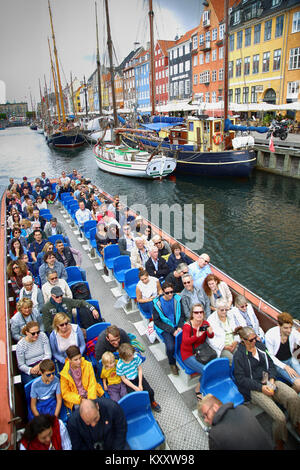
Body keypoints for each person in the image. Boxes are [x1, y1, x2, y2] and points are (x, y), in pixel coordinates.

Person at [233, 326, 300, 449]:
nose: (254, 341)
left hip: (269, 380)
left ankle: (296, 422)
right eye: (251, 340)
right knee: (280, 418)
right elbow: (241, 379)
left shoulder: (261, 347)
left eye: (255, 338)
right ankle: (279, 442)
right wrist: (261, 388)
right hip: (254, 387)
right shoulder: (239, 356)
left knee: (294, 397)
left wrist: (272, 380)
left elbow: (271, 366)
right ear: (243, 340)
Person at [198, 394, 273, 450]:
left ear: (215, 407)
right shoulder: (243, 409)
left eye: (206, 415)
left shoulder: (215, 435)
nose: (205, 420)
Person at [180, 303, 214, 399]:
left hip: (201, 351)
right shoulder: (187, 326)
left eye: (201, 312)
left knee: (213, 367)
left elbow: (211, 336)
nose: (199, 314)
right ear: (192, 314)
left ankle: (204, 384)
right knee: (205, 371)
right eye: (196, 312)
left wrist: (211, 332)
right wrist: (196, 336)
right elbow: (186, 342)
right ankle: (198, 390)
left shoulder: (205, 323)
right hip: (188, 353)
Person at [117, 343, 161, 412]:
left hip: (138, 376)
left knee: (150, 391)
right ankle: (140, 407)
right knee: (133, 397)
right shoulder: (120, 365)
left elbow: (139, 369)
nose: (133, 356)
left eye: (132, 354)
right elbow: (124, 379)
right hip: (129, 381)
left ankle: (152, 401)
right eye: (130, 356)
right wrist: (135, 388)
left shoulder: (135, 357)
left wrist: (140, 384)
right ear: (124, 357)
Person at [153, 282, 185, 375]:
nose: (170, 294)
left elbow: (182, 315)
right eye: (167, 293)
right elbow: (157, 322)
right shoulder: (157, 304)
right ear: (163, 292)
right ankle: (172, 363)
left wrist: (180, 326)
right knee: (170, 347)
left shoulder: (177, 300)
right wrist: (172, 330)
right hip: (165, 327)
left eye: (171, 292)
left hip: (177, 325)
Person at [60, 345, 104, 411]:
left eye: (80, 358)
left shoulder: (87, 365)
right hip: (77, 398)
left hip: (90, 393)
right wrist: (80, 400)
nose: (79, 361)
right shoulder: (64, 373)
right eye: (75, 360)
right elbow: (66, 393)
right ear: (69, 360)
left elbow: (92, 383)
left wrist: (91, 399)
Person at [265, 312, 300, 393]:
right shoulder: (270, 335)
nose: (289, 330)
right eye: (286, 328)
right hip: (278, 364)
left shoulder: (293, 332)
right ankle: (292, 399)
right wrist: (285, 367)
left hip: (291, 359)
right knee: (299, 384)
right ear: (279, 325)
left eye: (290, 327)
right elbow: (270, 356)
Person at [207, 299, 239, 364]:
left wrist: (235, 341)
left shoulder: (230, 315)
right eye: (222, 310)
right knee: (233, 360)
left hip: (233, 344)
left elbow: (236, 330)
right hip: (222, 347)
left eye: (226, 309)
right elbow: (211, 339)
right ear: (216, 309)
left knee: (241, 355)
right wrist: (224, 347)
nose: (224, 312)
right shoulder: (211, 320)